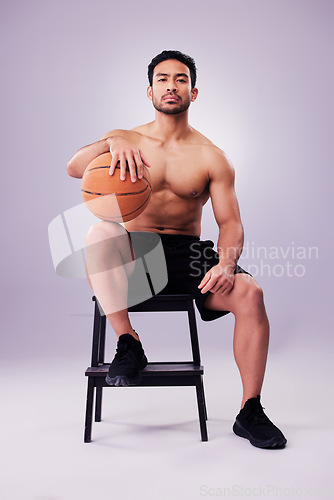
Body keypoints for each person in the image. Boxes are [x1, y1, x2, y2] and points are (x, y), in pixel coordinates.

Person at [67, 50, 287, 449]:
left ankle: (250, 411)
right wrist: (111, 139)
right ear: (150, 90)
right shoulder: (125, 140)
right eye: (164, 79)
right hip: (136, 249)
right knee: (100, 233)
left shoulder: (211, 156)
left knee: (251, 293)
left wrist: (225, 263)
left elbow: (230, 223)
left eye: (181, 79)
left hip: (188, 252)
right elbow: (74, 167)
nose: (172, 85)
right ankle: (129, 342)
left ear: (194, 92)